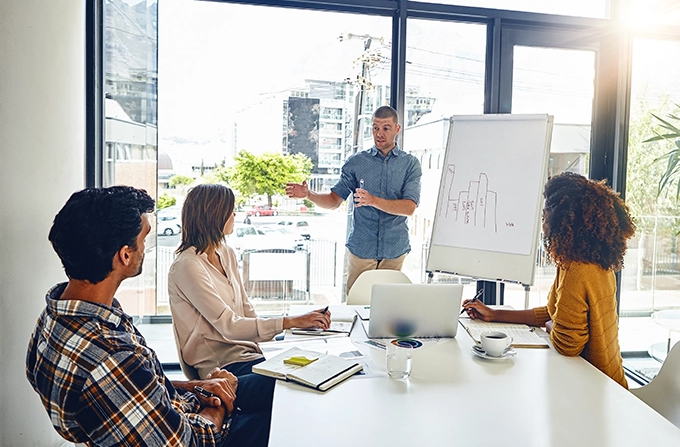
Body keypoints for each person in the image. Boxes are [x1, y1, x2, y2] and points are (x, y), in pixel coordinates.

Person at [26, 186, 255, 446]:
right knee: (282, 410)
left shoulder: (55, 316)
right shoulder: (110, 354)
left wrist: (196, 387)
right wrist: (217, 406)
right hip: (201, 433)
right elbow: (189, 442)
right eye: (144, 239)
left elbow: (136, 389)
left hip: (172, 412)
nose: (146, 247)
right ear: (125, 255)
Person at [168, 184, 331, 442]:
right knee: (295, 383)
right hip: (222, 370)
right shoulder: (187, 266)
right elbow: (229, 326)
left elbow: (246, 310)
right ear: (214, 215)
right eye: (231, 211)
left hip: (251, 355)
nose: (235, 215)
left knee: (314, 368)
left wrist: (291, 333)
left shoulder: (227, 253)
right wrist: (289, 322)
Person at [462, 172, 635, 388]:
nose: (542, 225)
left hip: (597, 387)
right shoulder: (587, 260)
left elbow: (567, 344)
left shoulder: (577, 270)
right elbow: (554, 312)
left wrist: (550, 325)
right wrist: (494, 314)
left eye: (545, 218)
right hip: (600, 378)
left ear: (563, 223)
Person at [285, 105, 422, 294]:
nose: (379, 134)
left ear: (397, 129)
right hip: (361, 250)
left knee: (390, 311)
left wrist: (373, 200)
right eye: (375, 127)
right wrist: (309, 194)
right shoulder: (356, 162)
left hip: (394, 250)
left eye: (385, 128)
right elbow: (334, 200)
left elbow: (409, 207)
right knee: (356, 306)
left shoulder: (410, 164)